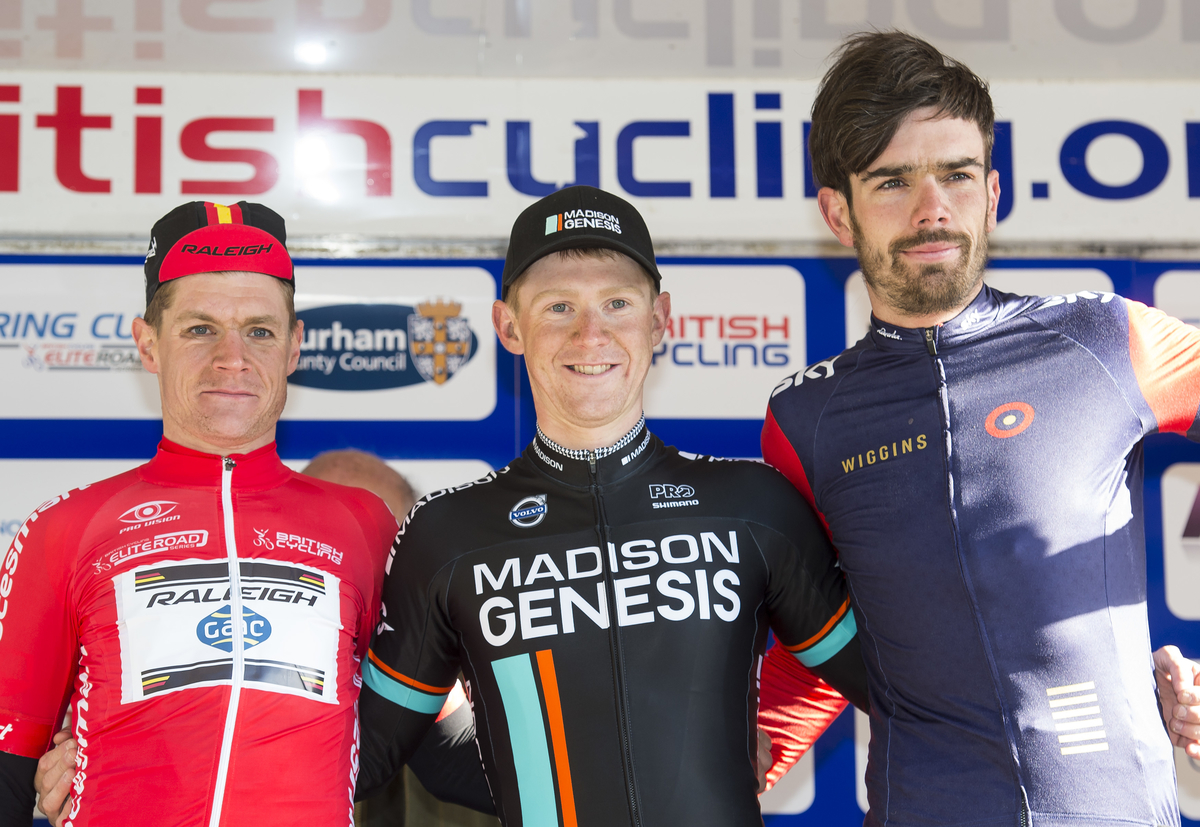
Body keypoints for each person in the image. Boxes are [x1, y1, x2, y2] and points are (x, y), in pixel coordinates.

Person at [759, 30, 1200, 826]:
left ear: (992, 192)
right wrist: (732, 754)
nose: (932, 208)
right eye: (892, 181)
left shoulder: (1104, 340)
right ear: (837, 211)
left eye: (956, 175)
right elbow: (825, 638)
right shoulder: (803, 419)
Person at [352, 184, 870, 827]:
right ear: (509, 327)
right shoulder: (449, 532)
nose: (590, 333)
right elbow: (365, 755)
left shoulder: (752, 504)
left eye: (617, 303)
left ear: (659, 320)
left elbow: (902, 687)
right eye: (558, 306)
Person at [0, 201, 395, 827]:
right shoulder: (65, 529)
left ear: (294, 347)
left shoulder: (366, 525)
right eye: (199, 328)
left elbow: (413, 734)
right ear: (148, 344)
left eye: (260, 331)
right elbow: (8, 765)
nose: (231, 358)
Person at [300, 449, 497, 827]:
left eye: (376, 547)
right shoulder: (233, 710)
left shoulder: (480, 709)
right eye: (329, 548)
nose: (352, 573)